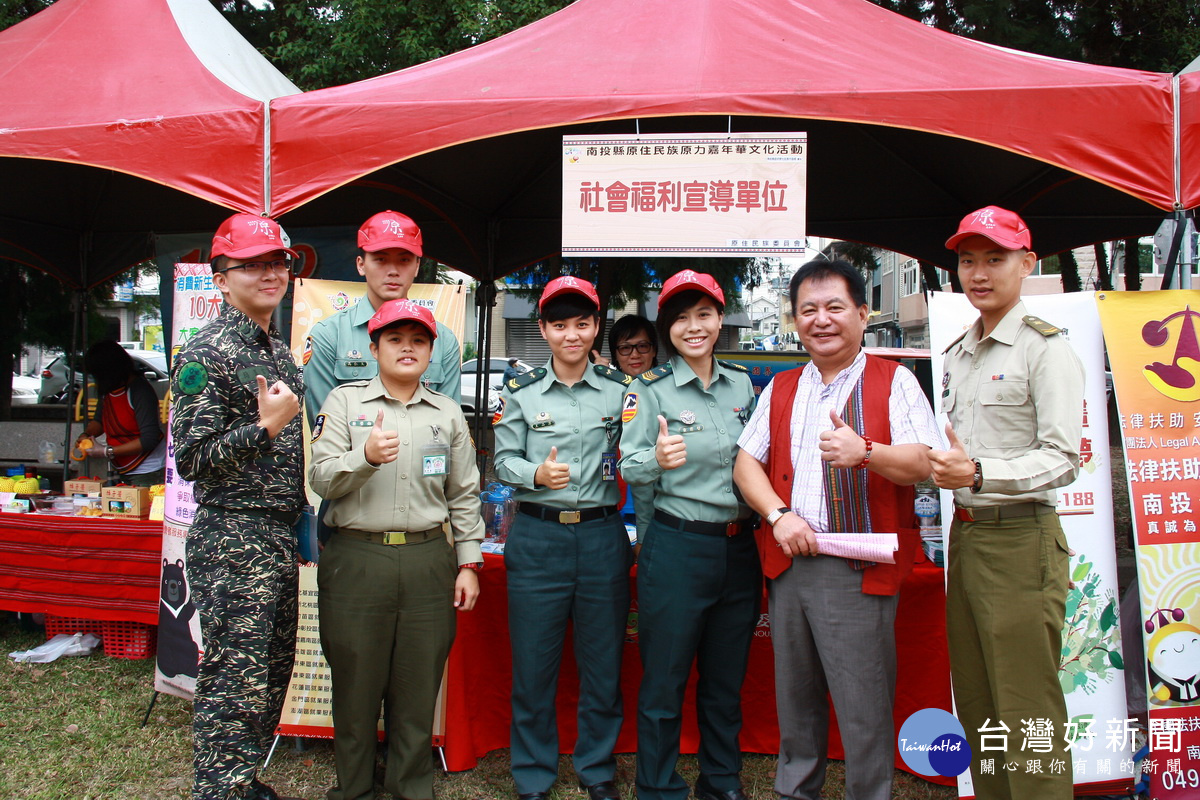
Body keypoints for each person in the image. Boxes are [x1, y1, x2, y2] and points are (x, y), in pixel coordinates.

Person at [733, 259, 940, 800]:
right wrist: (778, 515)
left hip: (858, 569)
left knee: (862, 700)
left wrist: (866, 452)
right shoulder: (781, 387)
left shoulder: (893, 381)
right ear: (795, 320)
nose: (821, 320)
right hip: (789, 563)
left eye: (834, 307)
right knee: (795, 698)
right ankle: (795, 789)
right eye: (808, 310)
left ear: (862, 314)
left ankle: (869, 792)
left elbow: (923, 462)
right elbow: (745, 465)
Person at [928, 206, 1083, 799]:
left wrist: (981, 471)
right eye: (968, 261)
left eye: (995, 259)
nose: (979, 273)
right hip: (968, 537)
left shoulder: (1044, 349)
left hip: (1021, 540)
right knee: (981, 707)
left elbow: (1064, 457)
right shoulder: (959, 353)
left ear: (1028, 264)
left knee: (1027, 713)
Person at [309, 298, 483, 800]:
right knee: (357, 688)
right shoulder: (344, 403)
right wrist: (363, 457)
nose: (407, 349)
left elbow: (464, 491)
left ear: (431, 351)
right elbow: (321, 478)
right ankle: (355, 790)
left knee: (416, 686)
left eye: (418, 341)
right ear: (374, 347)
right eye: (395, 339)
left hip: (430, 559)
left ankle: (412, 789)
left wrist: (468, 562)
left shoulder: (447, 412)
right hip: (357, 560)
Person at [170, 212, 305, 800]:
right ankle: (219, 790)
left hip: (274, 533)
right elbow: (192, 457)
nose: (269, 273)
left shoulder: (274, 347)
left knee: (271, 669)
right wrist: (265, 427)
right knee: (234, 675)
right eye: (252, 265)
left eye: (277, 262)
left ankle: (241, 779)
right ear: (220, 279)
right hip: (233, 535)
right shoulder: (207, 351)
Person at [618, 270, 758, 800]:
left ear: (720, 320)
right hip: (677, 548)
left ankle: (721, 781)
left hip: (738, 547)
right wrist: (655, 459)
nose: (693, 327)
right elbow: (629, 466)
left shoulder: (742, 384)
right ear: (667, 329)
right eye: (680, 318)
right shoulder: (647, 389)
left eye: (703, 314)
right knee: (664, 682)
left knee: (724, 682)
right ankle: (657, 786)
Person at [493, 276, 633, 800]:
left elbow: (635, 453)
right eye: (559, 324)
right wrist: (536, 475)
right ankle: (533, 772)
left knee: (603, 665)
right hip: (538, 538)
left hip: (600, 537)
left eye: (581, 323)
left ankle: (596, 769)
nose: (570, 334)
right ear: (544, 330)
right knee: (533, 666)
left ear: (596, 327)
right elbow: (503, 459)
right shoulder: (521, 394)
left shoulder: (622, 393)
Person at [304, 209, 461, 422]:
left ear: (416, 266)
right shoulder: (328, 336)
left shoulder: (443, 339)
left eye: (404, 260)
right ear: (361, 264)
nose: (393, 271)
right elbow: (325, 428)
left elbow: (449, 423)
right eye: (381, 260)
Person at [75, 340, 166, 486]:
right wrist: (86, 435)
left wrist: (106, 451)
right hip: (122, 468)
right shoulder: (108, 390)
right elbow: (99, 421)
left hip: (148, 470)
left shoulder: (139, 391)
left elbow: (149, 439)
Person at [605, 314, 659, 540]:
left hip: (658, 502)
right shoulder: (603, 390)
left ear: (654, 350)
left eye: (642, 346)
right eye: (625, 348)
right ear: (616, 354)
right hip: (609, 500)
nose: (635, 354)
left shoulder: (669, 391)